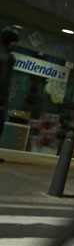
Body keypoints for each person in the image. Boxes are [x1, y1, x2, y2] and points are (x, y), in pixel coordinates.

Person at [0, 25, 20, 161]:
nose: (16, 45)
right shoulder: (7, 58)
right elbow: (3, 80)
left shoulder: (8, 57)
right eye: (15, 42)